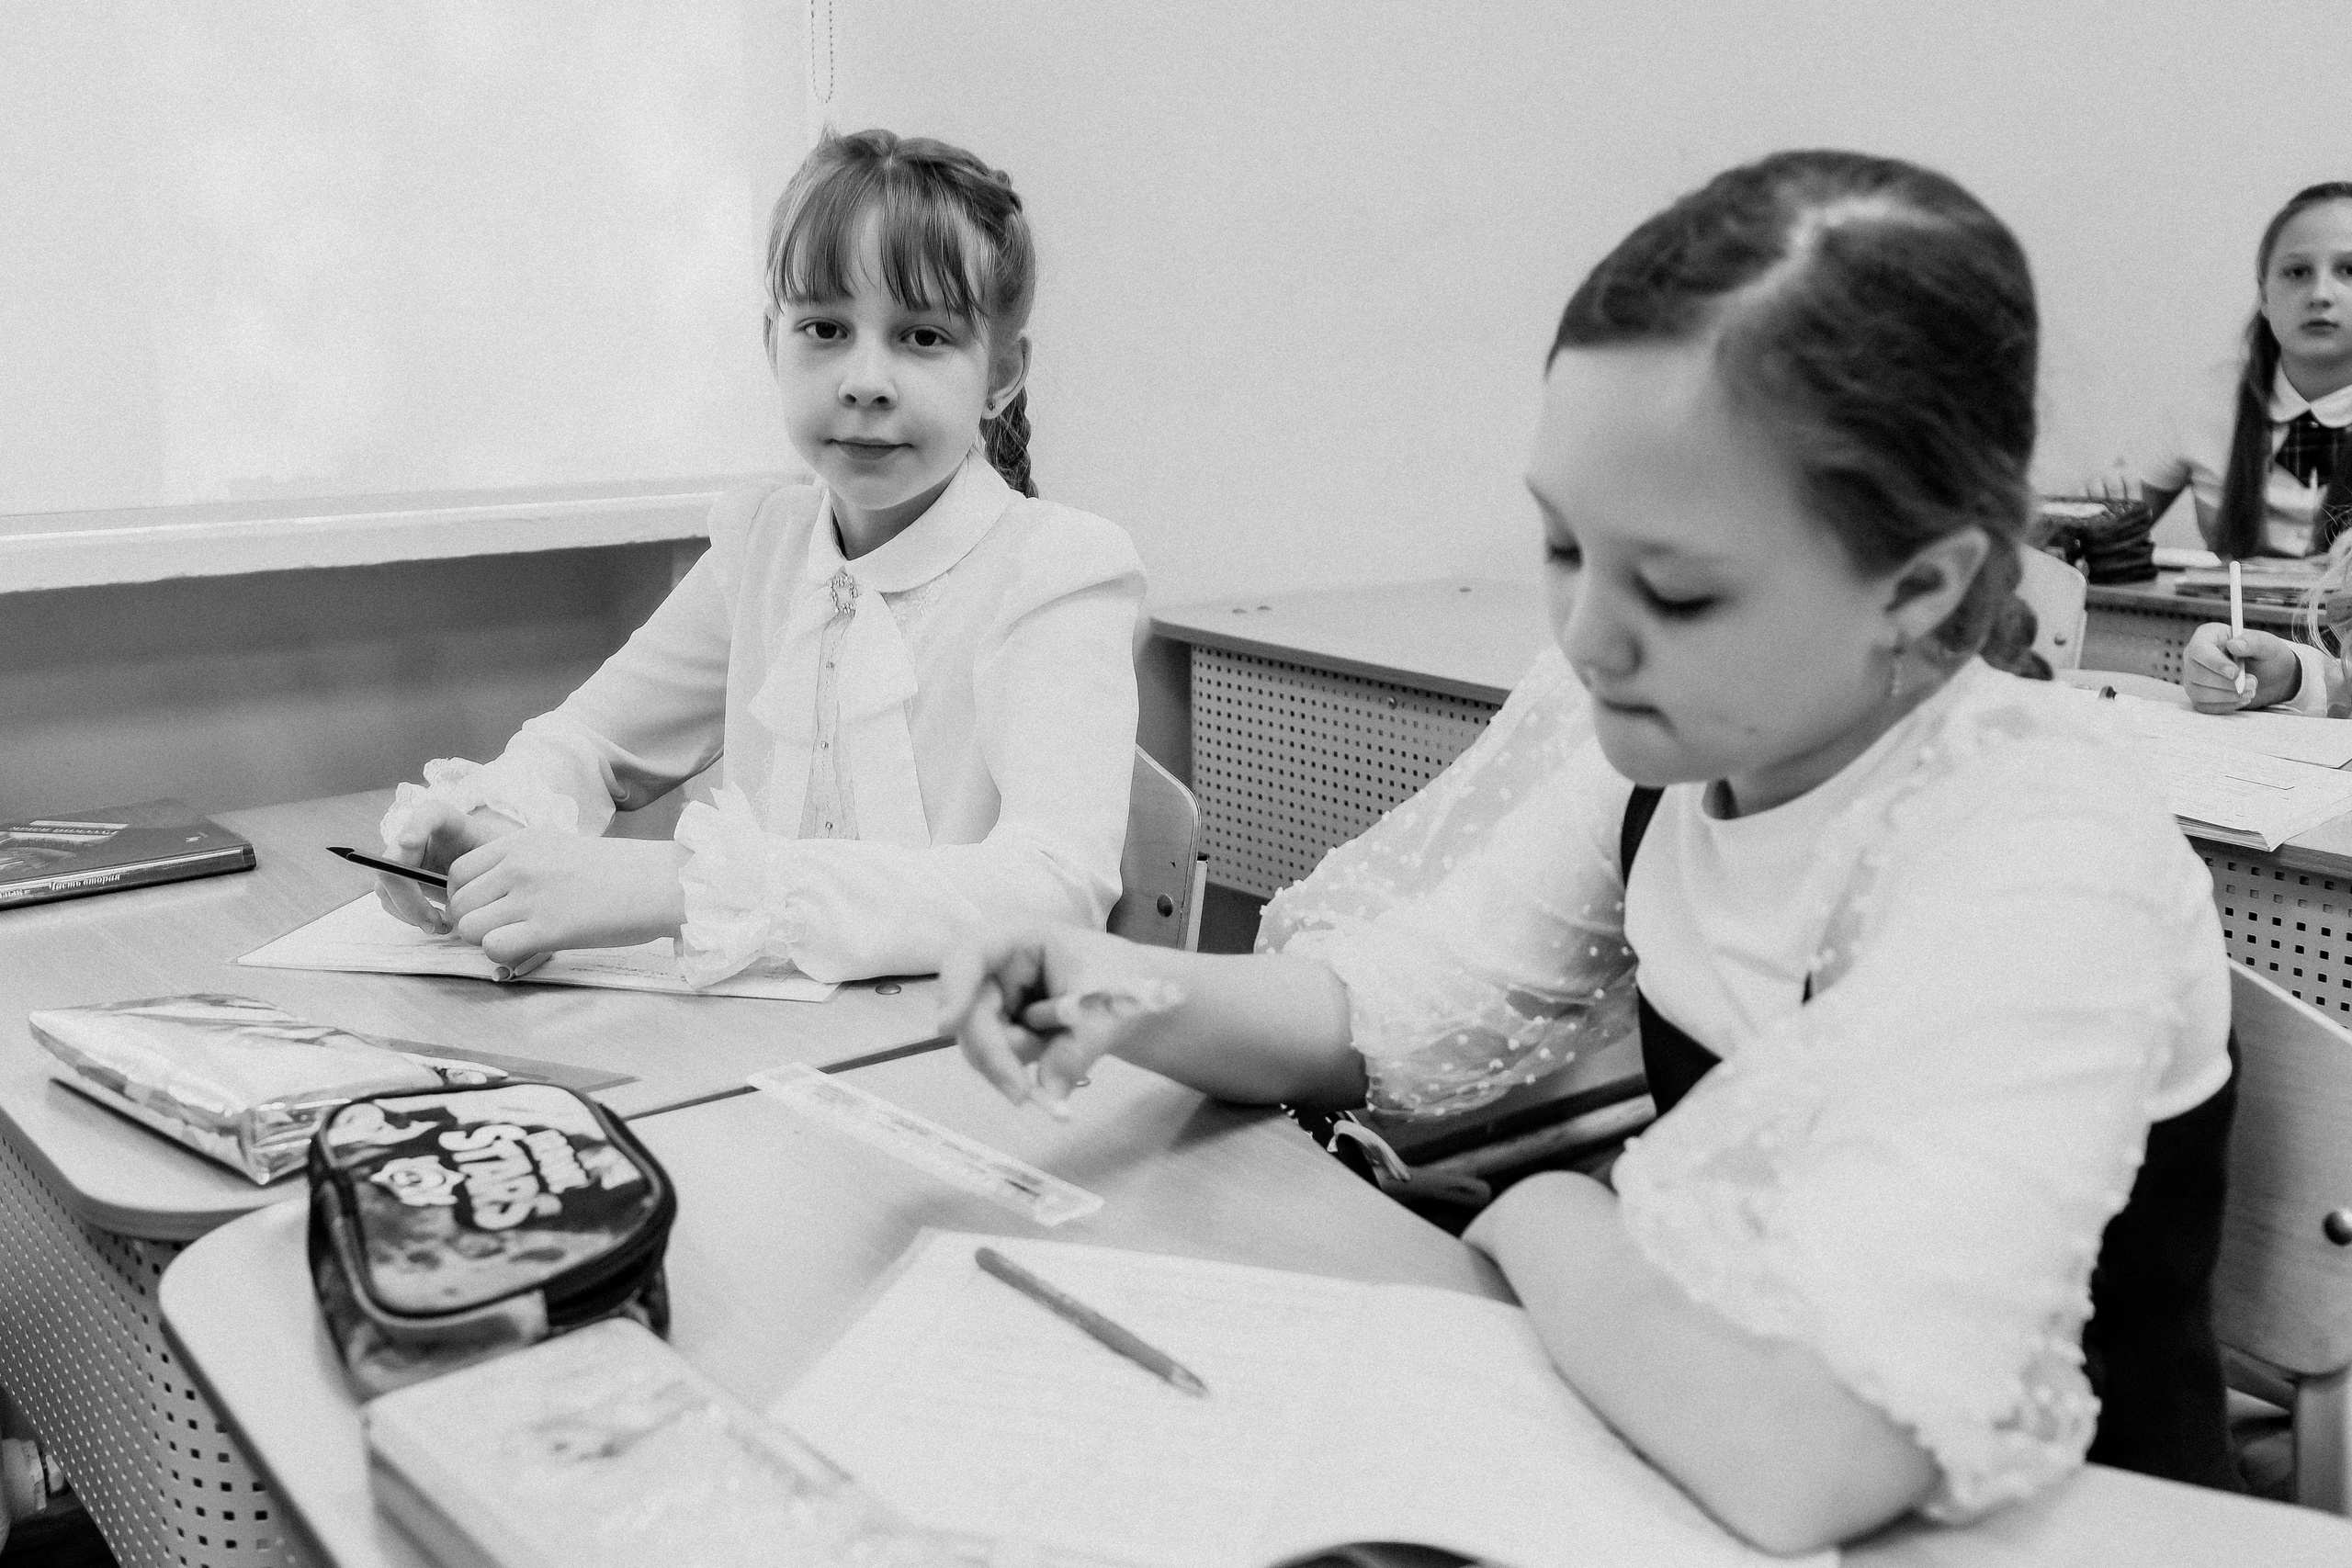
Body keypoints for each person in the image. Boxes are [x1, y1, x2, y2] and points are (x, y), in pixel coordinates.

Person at [937, 151, 2237, 1553]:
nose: (1585, 636)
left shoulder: (2040, 851)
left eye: (1673, 587)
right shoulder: (1690, 750)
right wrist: (1118, 979)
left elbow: (1815, 1450)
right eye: (1563, 546)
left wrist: (1550, 1209)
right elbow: (1393, 1002)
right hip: (1694, 1483)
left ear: (1919, 582)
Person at [372, 130, 1145, 984]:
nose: (864, 379)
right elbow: (591, 740)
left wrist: (685, 883)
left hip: (961, 1058)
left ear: (1003, 375)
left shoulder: (1059, 572)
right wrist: (484, 824)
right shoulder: (764, 542)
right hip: (763, 1047)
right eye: (823, 326)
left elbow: (1054, 888)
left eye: (923, 337)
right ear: (770, 341)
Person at [2128, 182, 2352, 564]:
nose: (2320, 295)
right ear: (2264, 295)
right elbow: (2114, 527)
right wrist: (2099, 508)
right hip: (2226, 624)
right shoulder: (2210, 402)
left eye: (2349, 270)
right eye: (2297, 272)